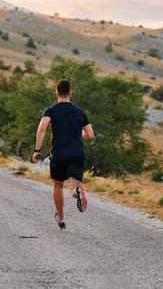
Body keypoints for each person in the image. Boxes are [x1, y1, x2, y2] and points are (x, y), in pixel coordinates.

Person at [31, 80, 94, 229]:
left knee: (58, 186)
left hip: (59, 154)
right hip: (77, 154)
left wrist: (37, 150)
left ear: (56, 92)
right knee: (72, 189)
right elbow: (90, 134)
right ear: (70, 93)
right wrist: (77, 134)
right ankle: (78, 192)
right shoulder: (80, 112)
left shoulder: (50, 111)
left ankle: (61, 217)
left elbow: (42, 129)